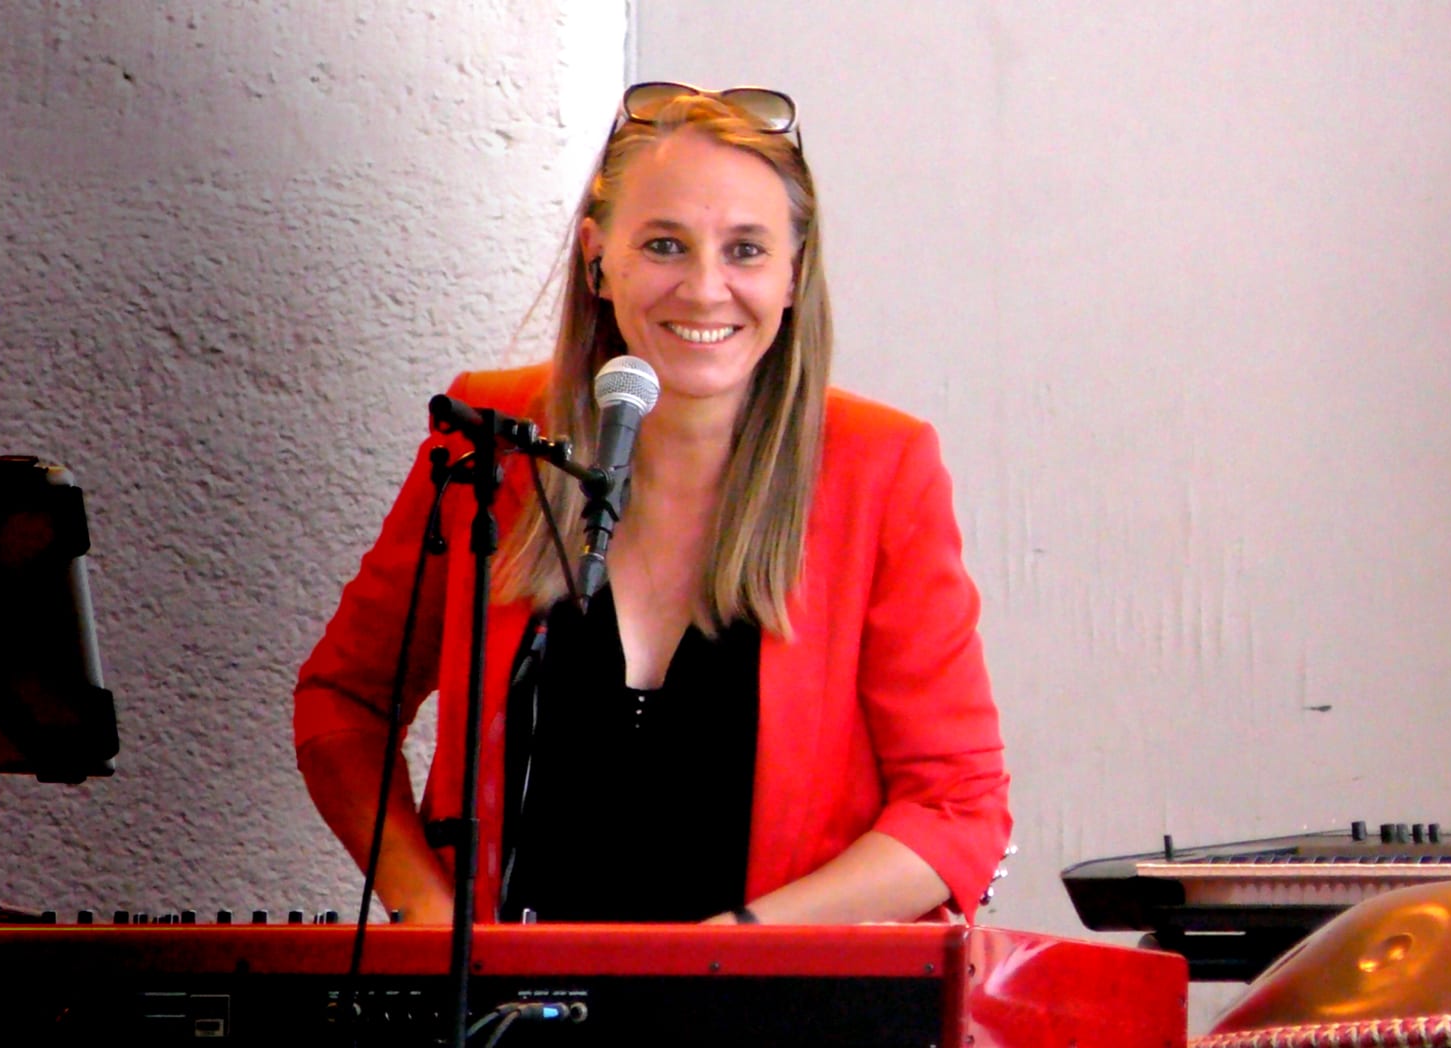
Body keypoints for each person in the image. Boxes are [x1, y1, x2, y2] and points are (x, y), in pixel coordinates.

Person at [293, 82, 1010, 926]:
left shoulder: (880, 467)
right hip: (501, 996)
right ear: (597, 258)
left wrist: (732, 952)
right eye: (665, 245)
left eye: (745, 250)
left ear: (793, 273)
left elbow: (955, 808)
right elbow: (345, 701)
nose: (704, 290)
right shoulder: (492, 438)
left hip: (768, 995)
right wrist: (423, 906)